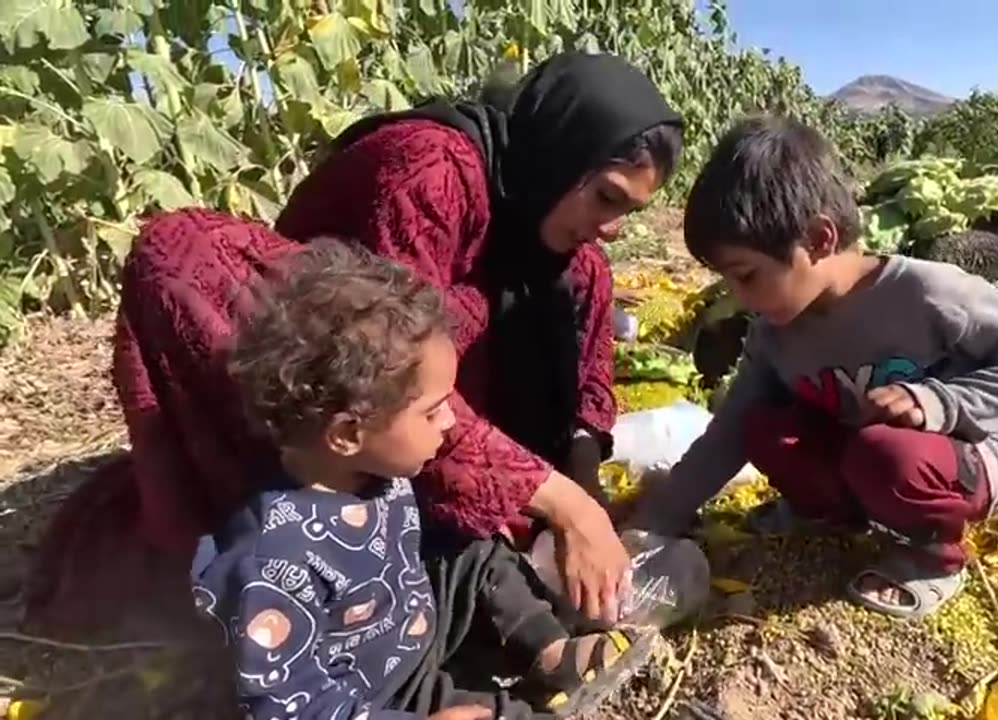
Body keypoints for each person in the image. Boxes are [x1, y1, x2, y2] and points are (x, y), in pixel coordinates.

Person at [23, 51, 683, 637]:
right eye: (605, 198)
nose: (613, 229)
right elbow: (390, 375)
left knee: (580, 280)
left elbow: (590, 390)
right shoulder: (429, 172)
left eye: (628, 211)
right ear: (559, 153)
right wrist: (560, 507)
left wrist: (584, 497)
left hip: (427, 415)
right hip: (341, 402)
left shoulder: (574, 257)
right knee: (183, 252)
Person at [626, 115, 998, 618]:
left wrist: (940, 402)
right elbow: (729, 431)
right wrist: (660, 515)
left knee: (885, 453)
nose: (738, 297)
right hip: (859, 456)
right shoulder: (775, 331)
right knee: (763, 428)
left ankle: (934, 557)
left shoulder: (929, 294)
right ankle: (837, 516)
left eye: (746, 276)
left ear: (818, 239)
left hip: (963, 460)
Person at [197, 239, 653, 720]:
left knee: (476, 556)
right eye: (432, 411)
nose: (451, 423)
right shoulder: (272, 563)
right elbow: (285, 707)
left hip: (411, 640)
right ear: (349, 432)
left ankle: (550, 651)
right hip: (370, 701)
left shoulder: (378, 472)